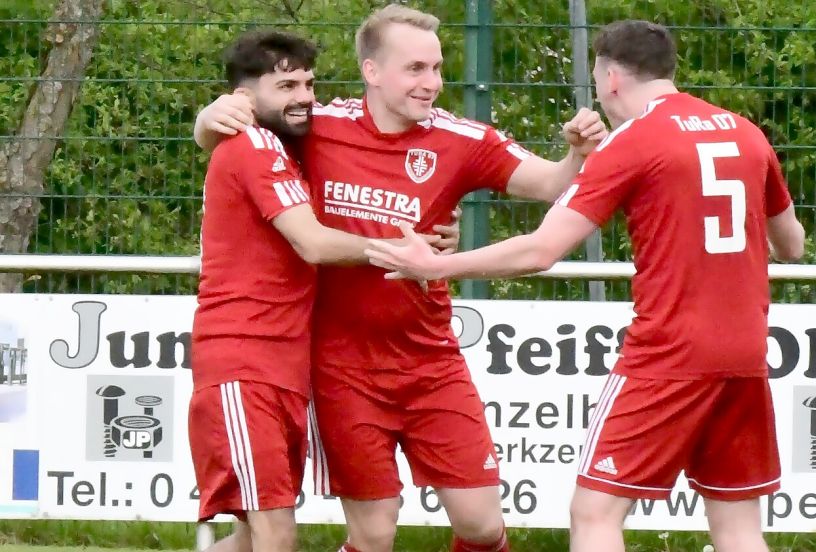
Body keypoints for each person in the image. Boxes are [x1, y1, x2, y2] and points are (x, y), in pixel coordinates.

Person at [365, 20, 806, 552]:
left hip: (671, 352)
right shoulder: (745, 132)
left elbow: (541, 250)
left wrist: (434, 267)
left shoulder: (635, 140)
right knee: (737, 526)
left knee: (594, 513)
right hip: (745, 352)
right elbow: (793, 245)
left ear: (611, 78)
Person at [194, 5, 607, 552]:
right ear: (371, 71)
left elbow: (553, 184)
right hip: (341, 367)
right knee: (371, 532)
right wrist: (209, 117)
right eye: (415, 69)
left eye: (436, 68)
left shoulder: (464, 139)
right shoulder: (316, 124)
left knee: (481, 525)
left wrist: (577, 153)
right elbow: (243, 143)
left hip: (428, 358)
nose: (431, 83)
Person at [189, 30, 453, 552]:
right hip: (245, 363)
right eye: (286, 84)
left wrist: (428, 229)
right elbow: (312, 242)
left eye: (309, 82)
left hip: (284, 364)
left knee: (247, 539)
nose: (304, 96)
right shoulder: (255, 142)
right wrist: (407, 249)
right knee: (274, 533)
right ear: (242, 98)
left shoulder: (288, 144)